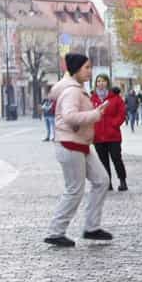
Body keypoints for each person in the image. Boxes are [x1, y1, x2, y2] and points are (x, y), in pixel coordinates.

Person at [44, 53, 111, 247]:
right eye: (87, 67)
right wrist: (95, 114)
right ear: (76, 69)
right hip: (70, 144)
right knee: (74, 189)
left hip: (81, 143)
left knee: (101, 180)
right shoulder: (71, 91)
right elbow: (69, 116)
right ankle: (55, 231)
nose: (90, 71)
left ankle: (92, 227)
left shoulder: (77, 89)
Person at [91, 77, 127, 191]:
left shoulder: (115, 98)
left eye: (103, 81)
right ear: (95, 83)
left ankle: (122, 181)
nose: (101, 83)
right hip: (98, 137)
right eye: (98, 81)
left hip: (113, 135)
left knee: (117, 158)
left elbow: (122, 114)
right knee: (103, 161)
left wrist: (113, 124)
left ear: (107, 82)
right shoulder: (92, 98)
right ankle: (108, 183)